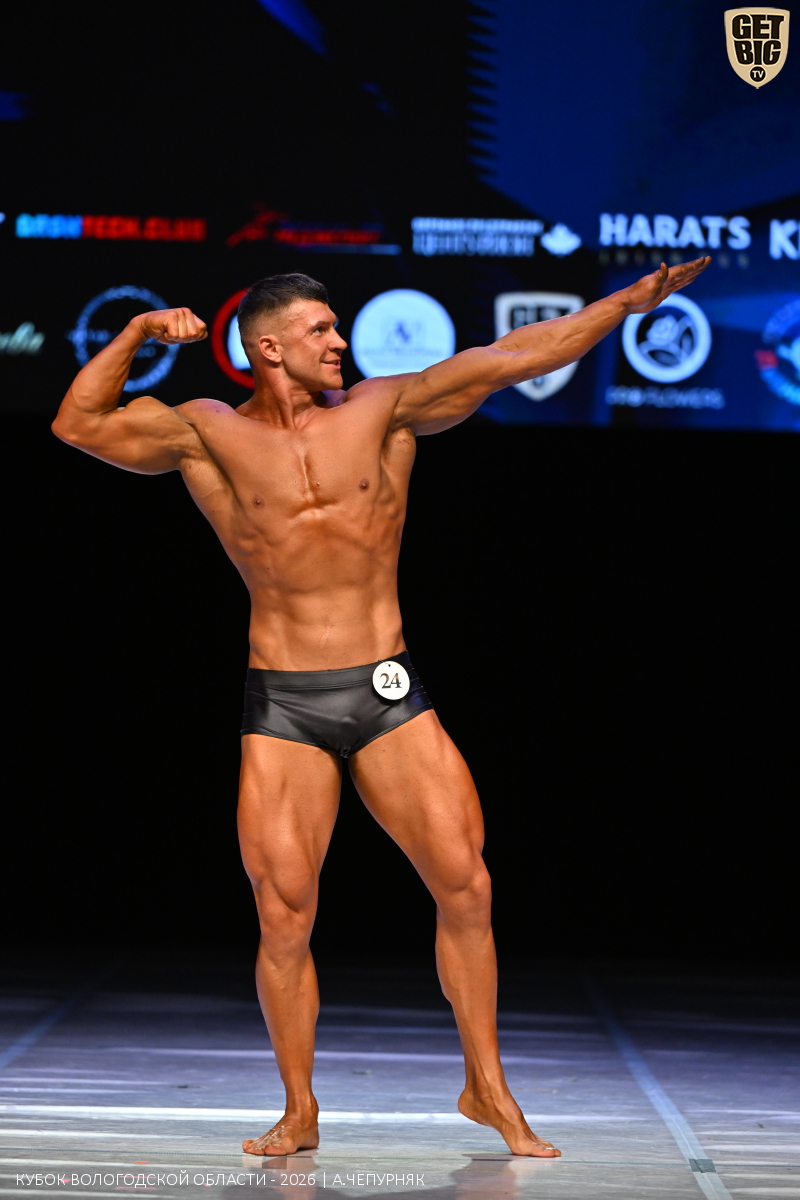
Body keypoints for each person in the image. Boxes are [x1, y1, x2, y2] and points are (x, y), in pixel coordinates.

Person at [52, 256, 710, 1158]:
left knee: (466, 884)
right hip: (284, 703)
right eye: (321, 329)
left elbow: (517, 355)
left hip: (384, 686)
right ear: (269, 346)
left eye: (336, 326)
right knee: (284, 913)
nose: (339, 341)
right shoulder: (205, 432)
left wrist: (625, 305)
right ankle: (299, 1109)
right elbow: (77, 422)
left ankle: (487, 1088)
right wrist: (134, 331)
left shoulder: (383, 409)